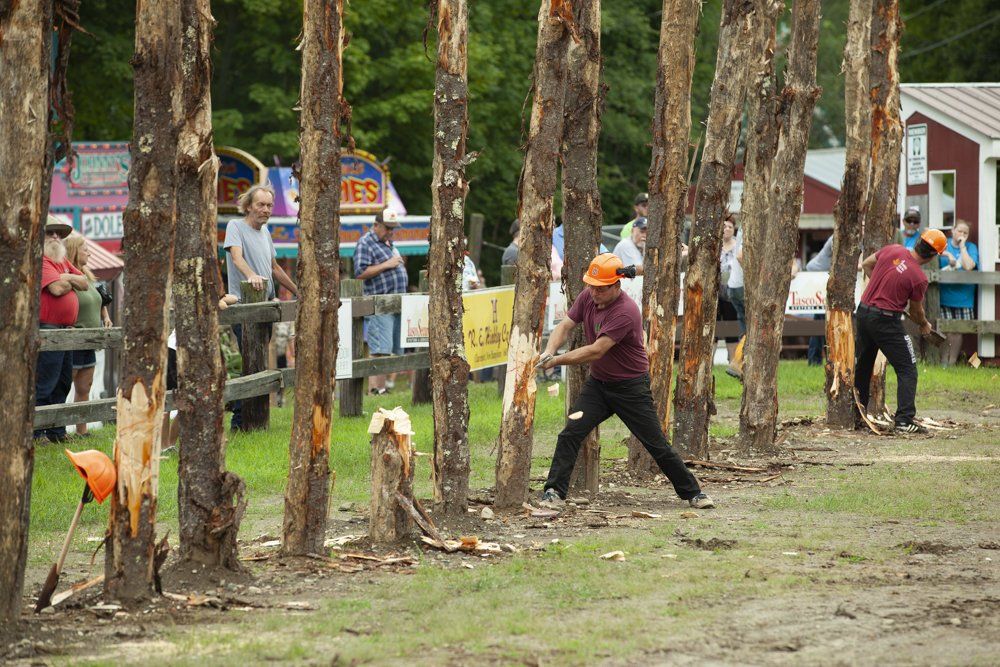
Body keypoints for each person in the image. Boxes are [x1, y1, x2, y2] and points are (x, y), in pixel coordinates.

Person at [537, 253, 714, 509]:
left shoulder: (625, 312)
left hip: (630, 387)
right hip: (598, 385)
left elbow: (596, 350)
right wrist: (549, 351)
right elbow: (565, 326)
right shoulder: (588, 296)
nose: (594, 293)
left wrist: (556, 361)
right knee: (570, 433)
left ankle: (693, 493)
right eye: (592, 286)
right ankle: (554, 491)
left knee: (655, 443)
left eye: (601, 289)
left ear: (617, 285)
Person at [854, 229, 946, 434]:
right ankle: (904, 420)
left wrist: (881, 285)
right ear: (932, 256)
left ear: (918, 242)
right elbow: (916, 311)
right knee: (907, 368)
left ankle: (856, 414)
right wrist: (923, 325)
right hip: (886, 321)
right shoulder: (919, 278)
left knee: (864, 365)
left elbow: (867, 263)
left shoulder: (893, 249)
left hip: (863, 312)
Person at [224, 183, 298, 429]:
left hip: (266, 305)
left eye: (269, 205)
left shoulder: (266, 233)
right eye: (260, 205)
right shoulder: (236, 227)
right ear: (248, 206)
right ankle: (238, 420)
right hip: (243, 304)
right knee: (250, 361)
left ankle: (253, 419)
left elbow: (275, 268)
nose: (266, 210)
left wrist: (300, 291)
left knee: (257, 363)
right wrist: (252, 275)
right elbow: (236, 257)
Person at [35, 217, 89, 443]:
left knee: (63, 382)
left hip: (66, 332)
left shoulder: (62, 260)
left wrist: (66, 276)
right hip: (49, 331)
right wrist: (69, 279)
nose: (56, 237)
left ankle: (56, 432)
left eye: (59, 233)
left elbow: (85, 282)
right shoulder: (41, 261)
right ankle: (35, 434)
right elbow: (56, 289)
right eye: (50, 233)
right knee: (45, 384)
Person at [63, 233, 113, 436]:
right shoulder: (68, 276)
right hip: (73, 340)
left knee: (85, 386)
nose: (89, 253)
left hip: (90, 340)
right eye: (85, 249)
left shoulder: (88, 276)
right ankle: (58, 430)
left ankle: (81, 431)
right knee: (66, 386)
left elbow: (99, 300)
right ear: (75, 251)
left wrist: (106, 317)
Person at [355, 209, 409, 395]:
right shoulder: (366, 243)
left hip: (394, 303)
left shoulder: (387, 243)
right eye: (387, 228)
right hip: (379, 304)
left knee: (388, 349)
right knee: (379, 349)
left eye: (393, 229)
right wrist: (388, 264)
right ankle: (375, 390)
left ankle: (381, 388)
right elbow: (360, 272)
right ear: (376, 225)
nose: (390, 232)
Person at [938, 220, 979, 366]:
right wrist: (948, 255)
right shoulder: (943, 244)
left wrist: (962, 247)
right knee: (946, 330)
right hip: (944, 296)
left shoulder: (971, 247)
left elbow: (969, 266)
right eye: (959, 231)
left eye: (965, 233)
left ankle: (952, 362)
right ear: (952, 230)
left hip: (964, 297)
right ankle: (943, 362)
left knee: (958, 331)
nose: (962, 234)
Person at [805, 234, 835, 366]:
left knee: (827, 321)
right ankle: (814, 360)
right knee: (819, 320)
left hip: (827, 276)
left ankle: (829, 360)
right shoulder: (838, 236)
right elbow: (840, 259)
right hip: (817, 273)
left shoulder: (862, 241)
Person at [718, 216, 740, 362]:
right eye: (724, 226)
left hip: (732, 293)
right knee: (713, 327)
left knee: (732, 327)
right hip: (714, 294)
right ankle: (708, 363)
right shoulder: (714, 245)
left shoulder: (738, 245)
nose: (726, 229)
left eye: (730, 227)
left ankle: (732, 361)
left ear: (734, 230)